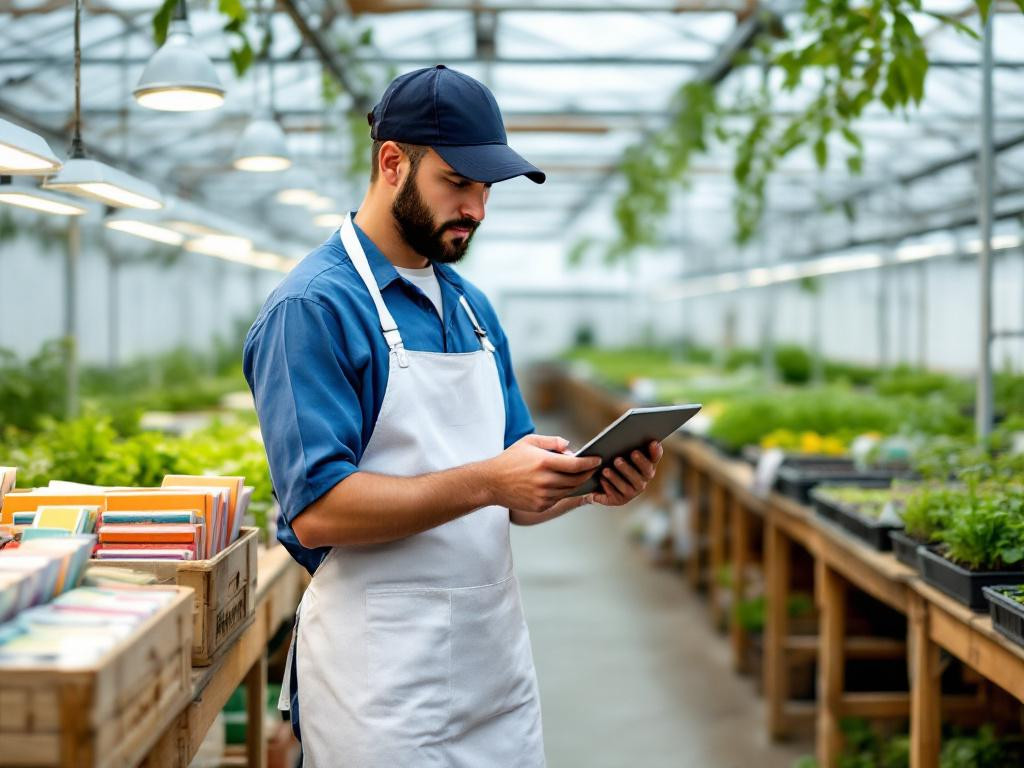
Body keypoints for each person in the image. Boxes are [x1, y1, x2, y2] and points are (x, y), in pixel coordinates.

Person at [242, 64, 663, 767]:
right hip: (378, 688)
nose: (477, 209)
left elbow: (516, 489)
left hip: (490, 672)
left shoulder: (470, 307)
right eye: (458, 183)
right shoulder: (314, 308)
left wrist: (588, 483)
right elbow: (316, 510)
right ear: (391, 163)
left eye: (486, 189)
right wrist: (491, 483)